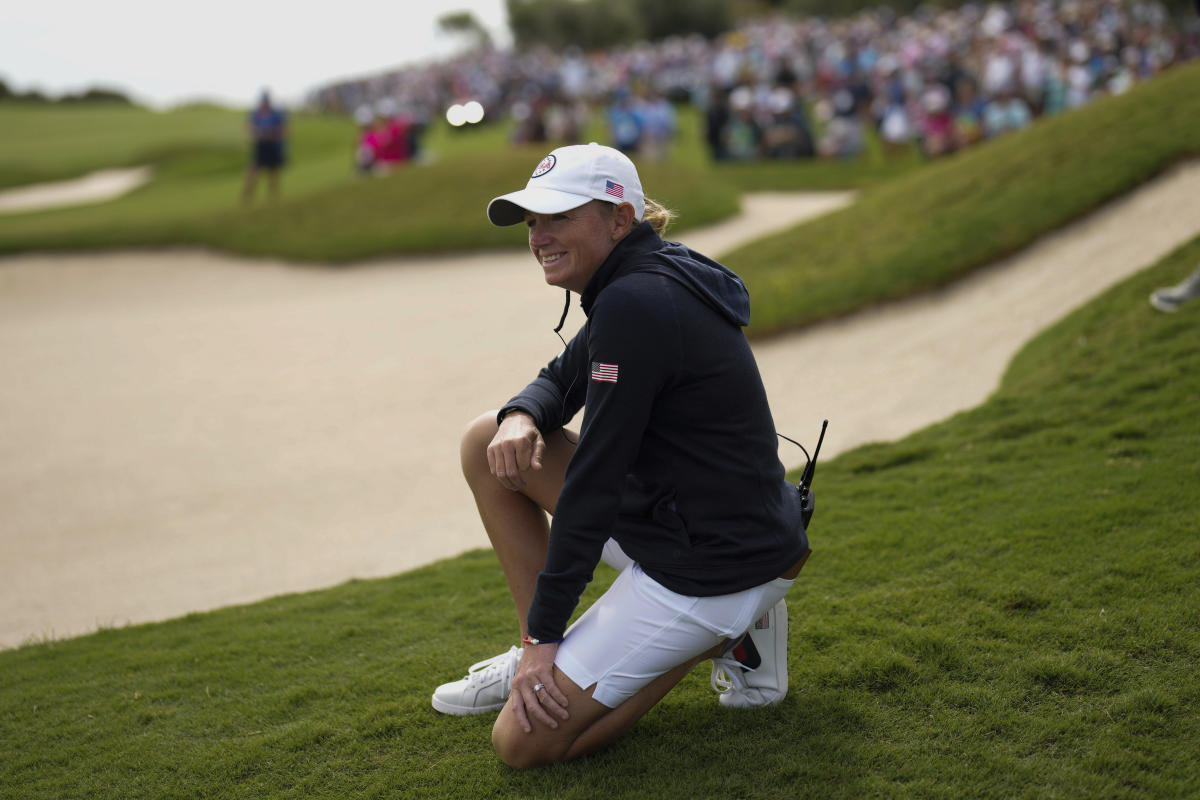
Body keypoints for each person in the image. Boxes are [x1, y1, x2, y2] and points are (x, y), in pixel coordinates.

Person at [432, 143, 813, 768]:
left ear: (617, 217)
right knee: (488, 439)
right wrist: (524, 415)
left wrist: (545, 636)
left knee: (522, 744)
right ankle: (539, 656)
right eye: (532, 221)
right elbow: (560, 376)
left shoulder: (637, 302)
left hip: (714, 565)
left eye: (558, 217)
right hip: (698, 526)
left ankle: (727, 632)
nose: (539, 236)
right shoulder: (638, 278)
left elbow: (594, 487)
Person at [241, 90, 287, 203]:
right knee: (254, 170)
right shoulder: (256, 114)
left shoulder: (275, 114)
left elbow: (282, 130)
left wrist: (269, 133)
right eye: (263, 100)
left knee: (273, 171)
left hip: (272, 145)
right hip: (261, 145)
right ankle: (247, 196)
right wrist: (260, 133)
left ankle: (273, 197)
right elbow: (250, 129)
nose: (265, 103)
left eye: (266, 100)